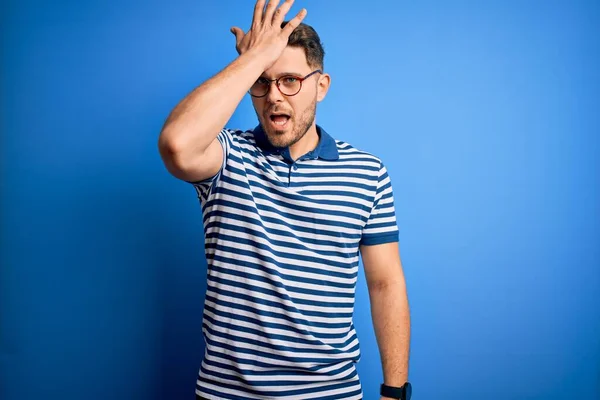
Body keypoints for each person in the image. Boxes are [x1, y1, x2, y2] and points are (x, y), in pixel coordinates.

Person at [158, 1, 411, 399]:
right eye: (262, 81)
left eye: (290, 80)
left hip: (331, 392)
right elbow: (176, 145)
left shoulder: (367, 172)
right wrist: (253, 59)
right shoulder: (225, 156)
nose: (275, 96)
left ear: (321, 85)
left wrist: (395, 392)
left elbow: (385, 283)